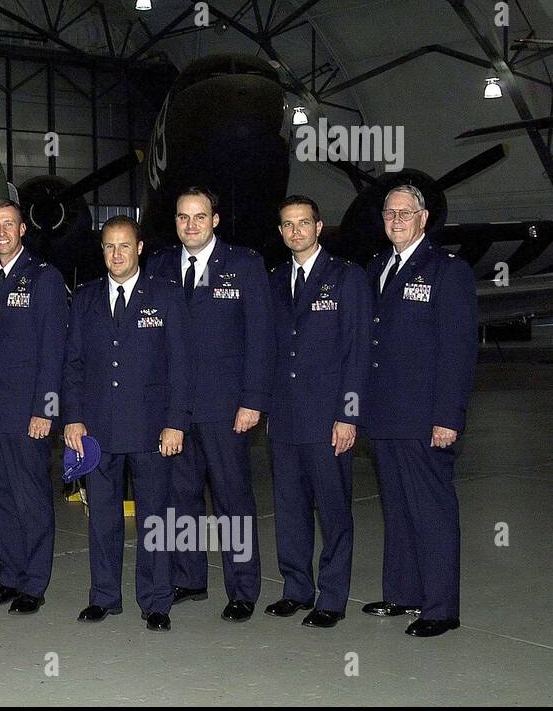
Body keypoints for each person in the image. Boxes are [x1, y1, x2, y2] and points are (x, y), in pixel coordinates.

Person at [146, 187, 271, 622]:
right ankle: (188, 577)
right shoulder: (159, 265)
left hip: (226, 408)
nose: (191, 225)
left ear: (215, 219)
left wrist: (253, 400)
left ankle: (242, 589)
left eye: (200, 217)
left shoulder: (245, 265)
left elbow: (261, 338)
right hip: (175, 411)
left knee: (232, 498)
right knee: (180, 498)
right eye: (183, 217)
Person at [62, 216, 191, 631]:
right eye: (108, 247)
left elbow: (181, 367)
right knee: (102, 516)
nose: (115, 255)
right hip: (98, 431)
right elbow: (74, 365)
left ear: (139, 249)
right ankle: (104, 596)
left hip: (152, 430)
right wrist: (74, 419)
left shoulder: (167, 296)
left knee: (155, 517)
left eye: (123, 246)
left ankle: (156, 601)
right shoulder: (85, 299)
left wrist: (176, 423)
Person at [363, 185, 477, 638]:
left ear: (423, 218)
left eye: (405, 213)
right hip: (386, 416)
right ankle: (404, 593)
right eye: (390, 212)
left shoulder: (447, 271)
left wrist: (448, 417)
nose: (396, 219)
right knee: (397, 508)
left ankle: (441, 608)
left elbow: (459, 349)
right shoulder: (378, 268)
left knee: (431, 511)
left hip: (426, 417)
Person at [265, 196, 370, 628]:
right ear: (281, 232)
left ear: (319, 226)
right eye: (288, 225)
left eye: (303, 223)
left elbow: (358, 353)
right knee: (289, 508)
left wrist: (348, 415)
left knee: (333, 511)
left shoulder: (347, 278)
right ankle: (296, 589)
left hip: (328, 419)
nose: (296, 232)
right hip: (285, 418)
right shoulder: (274, 282)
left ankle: (332, 596)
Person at [0, 199, 68, 615]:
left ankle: (34, 582)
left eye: (9, 224)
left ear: (22, 229)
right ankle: (9, 576)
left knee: (31, 499)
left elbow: (54, 349)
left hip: (28, 413)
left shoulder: (44, 278)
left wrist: (45, 410)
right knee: (0, 498)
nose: (2, 232)